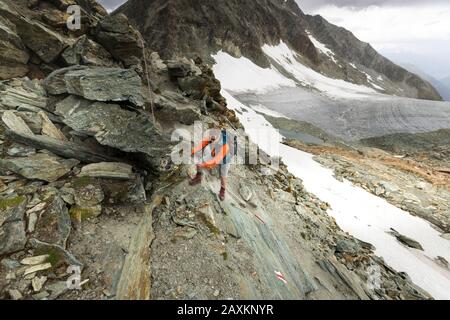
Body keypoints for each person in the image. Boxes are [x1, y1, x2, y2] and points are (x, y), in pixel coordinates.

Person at [189, 128, 235, 201]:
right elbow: (202, 144)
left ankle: (222, 190)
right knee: (199, 163)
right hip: (215, 153)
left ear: (218, 135)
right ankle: (198, 178)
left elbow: (216, 161)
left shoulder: (225, 145)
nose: (211, 139)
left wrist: (204, 165)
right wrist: (192, 151)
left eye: (213, 138)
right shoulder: (213, 137)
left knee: (223, 176)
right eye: (211, 137)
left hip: (225, 159)